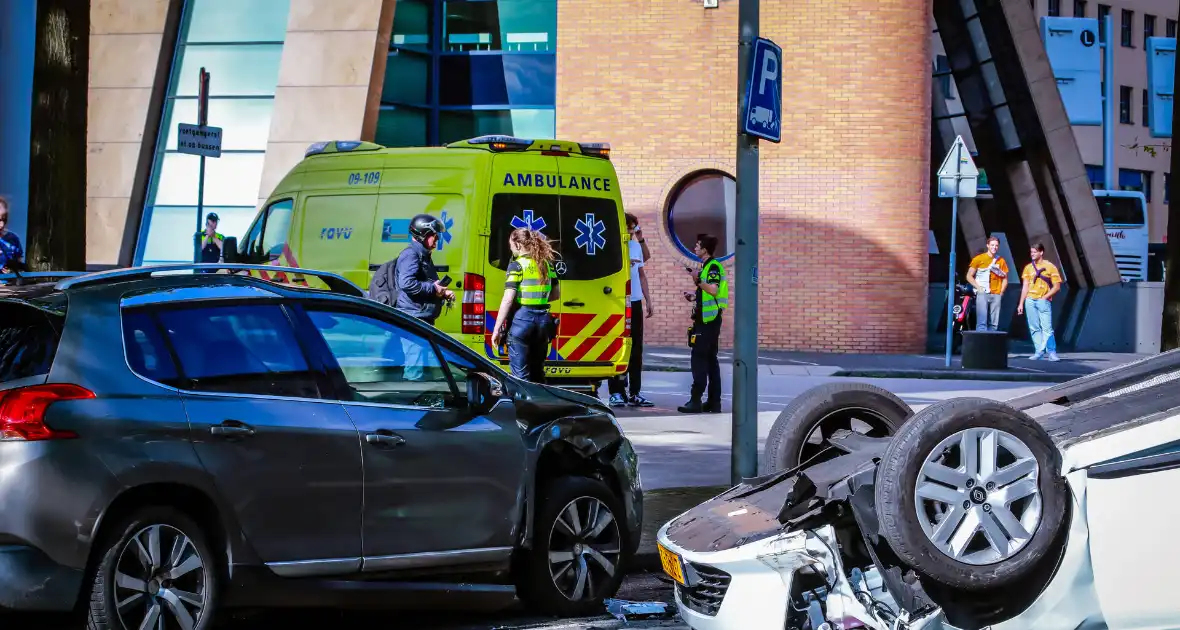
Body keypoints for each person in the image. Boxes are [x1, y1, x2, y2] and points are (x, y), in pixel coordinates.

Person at [490, 228, 560, 384]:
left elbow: (508, 299)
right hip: (543, 322)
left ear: (518, 244)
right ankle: (540, 406)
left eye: (511, 245)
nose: (510, 248)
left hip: (523, 320)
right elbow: (556, 295)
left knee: (520, 376)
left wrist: (496, 329)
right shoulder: (547, 265)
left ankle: (523, 407)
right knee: (538, 373)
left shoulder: (517, 266)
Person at [394, 214, 454, 379]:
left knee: (424, 369)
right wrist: (433, 289)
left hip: (422, 319)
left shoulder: (423, 255)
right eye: (435, 235)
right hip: (414, 319)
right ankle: (410, 401)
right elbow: (406, 283)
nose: (437, 239)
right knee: (415, 371)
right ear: (423, 235)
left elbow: (425, 283)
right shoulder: (411, 255)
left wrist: (442, 292)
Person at [609, 213, 655, 408]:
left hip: (635, 302)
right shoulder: (613, 245)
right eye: (629, 228)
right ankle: (616, 391)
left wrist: (648, 300)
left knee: (636, 349)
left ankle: (635, 392)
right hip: (619, 301)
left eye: (634, 228)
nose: (632, 232)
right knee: (620, 346)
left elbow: (642, 274)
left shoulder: (635, 246)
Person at [678, 234, 727, 414]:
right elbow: (707, 293)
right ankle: (714, 402)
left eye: (698, 245)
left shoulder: (712, 267)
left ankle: (696, 400)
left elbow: (713, 290)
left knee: (699, 358)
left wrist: (697, 279)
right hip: (708, 319)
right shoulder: (707, 267)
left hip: (708, 321)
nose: (695, 248)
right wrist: (694, 295)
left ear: (705, 249)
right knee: (711, 360)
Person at [1017, 243, 1062, 362]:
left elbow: (1057, 286)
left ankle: (1052, 352)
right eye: (1031, 252)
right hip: (1030, 300)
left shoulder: (1050, 266)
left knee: (1047, 328)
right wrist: (1021, 303)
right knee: (1034, 327)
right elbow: (1025, 286)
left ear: (1041, 252)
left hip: (1043, 300)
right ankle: (1039, 351)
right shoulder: (1028, 267)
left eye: (1035, 252)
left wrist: (1045, 297)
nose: (1032, 254)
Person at [966, 235, 1009, 331]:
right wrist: (979, 288)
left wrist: (1001, 292)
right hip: (983, 292)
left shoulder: (1001, 260)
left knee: (994, 323)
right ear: (988, 246)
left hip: (996, 293)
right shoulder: (979, 259)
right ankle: (981, 343)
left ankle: (991, 343)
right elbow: (969, 276)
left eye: (996, 245)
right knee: (982, 322)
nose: (994, 247)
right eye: (992, 245)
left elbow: (1005, 278)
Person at [0, 196, 24, 275]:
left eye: (4, 219)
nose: (2, 225)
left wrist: (13, 269)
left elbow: (19, 264)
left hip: (10, 284)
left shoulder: (13, 239)